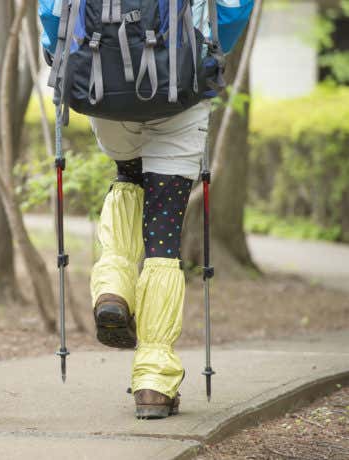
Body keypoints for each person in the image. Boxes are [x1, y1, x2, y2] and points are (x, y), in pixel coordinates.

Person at [40, 0, 251, 419]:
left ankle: (113, 290)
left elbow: (51, 11)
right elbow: (231, 11)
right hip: (181, 90)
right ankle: (154, 381)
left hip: (104, 83)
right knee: (163, 235)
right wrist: (203, 49)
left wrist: (61, 51)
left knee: (128, 176)